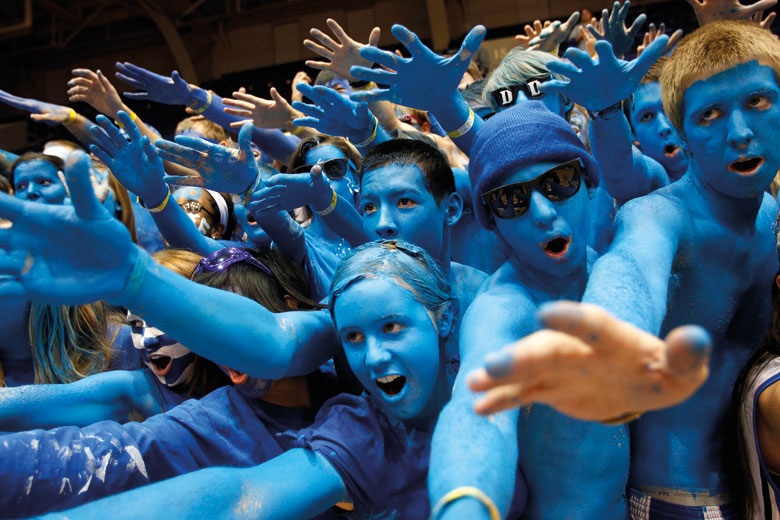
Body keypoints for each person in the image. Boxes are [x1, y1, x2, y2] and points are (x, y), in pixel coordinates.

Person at [467, 20, 780, 519]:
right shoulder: (660, 212)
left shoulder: (771, 213)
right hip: (677, 499)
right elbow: (632, 265)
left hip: (754, 484)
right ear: (684, 131)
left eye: (759, 102)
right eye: (711, 114)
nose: (739, 133)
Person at [29, 241, 525, 520]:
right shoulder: (358, 425)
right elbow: (239, 497)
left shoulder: (494, 342)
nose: (373, 356)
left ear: (443, 320)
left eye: (392, 327)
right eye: (352, 336)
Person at [0, 245, 329, 517]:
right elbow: (74, 453)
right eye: (138, 323)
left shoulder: (348, 389)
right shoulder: (192, 413)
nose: (147, 340)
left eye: (241, 322)